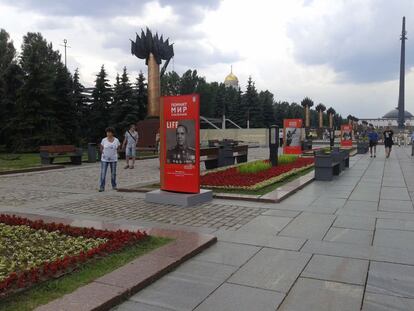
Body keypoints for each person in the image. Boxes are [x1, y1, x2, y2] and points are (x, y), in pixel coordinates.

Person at [99, 127, 121, 192]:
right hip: (104, 159)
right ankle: (102, 187)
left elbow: (118, 147)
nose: (108, 133)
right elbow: (101, 147)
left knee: (113, 173)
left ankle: (114, 185)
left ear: (112, 133)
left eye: (109, 132)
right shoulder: (104, 140)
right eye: (107, 132)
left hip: (113, 159)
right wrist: (103, 153)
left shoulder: (116, 140)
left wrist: (116, 153)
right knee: (103, 173)